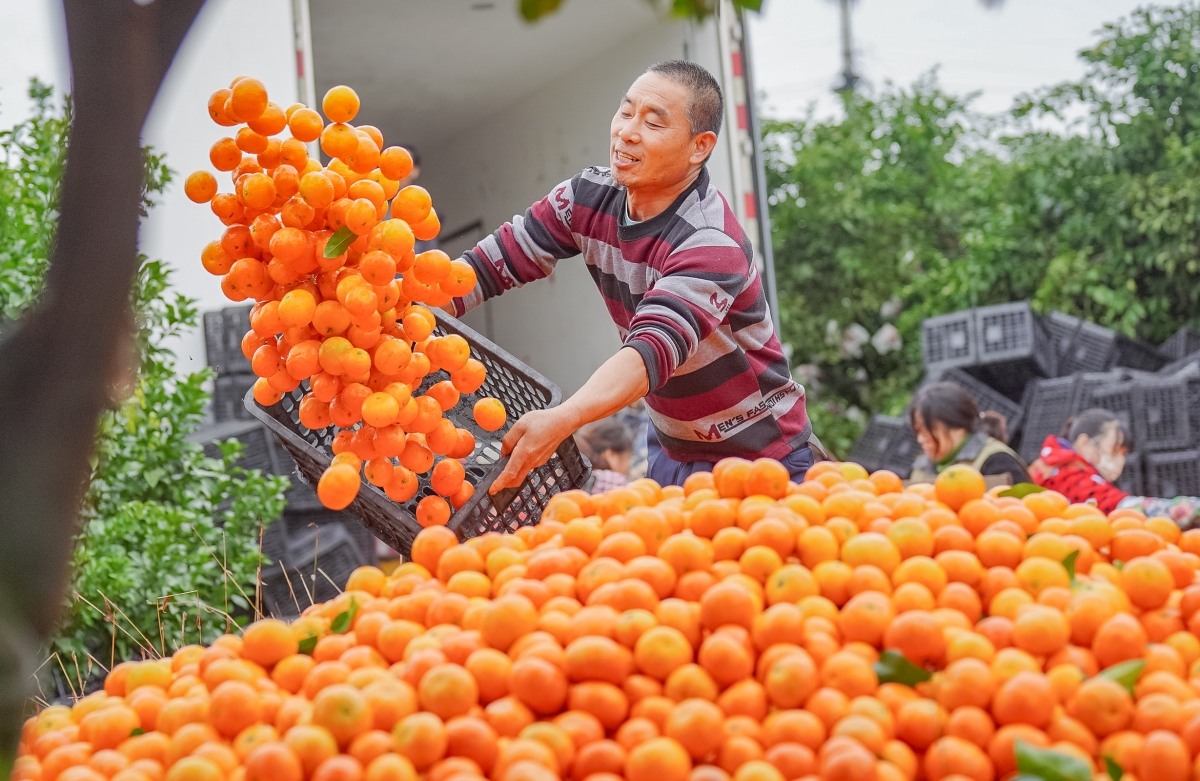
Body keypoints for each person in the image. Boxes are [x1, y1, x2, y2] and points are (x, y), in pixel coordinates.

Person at [449, 60, 812, 491]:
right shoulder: (586, 198)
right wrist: (401, 307)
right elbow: (489, 266)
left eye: (653, 123)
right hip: (672, 449)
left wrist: (564, 418)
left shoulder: (711, 243)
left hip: (762, 457)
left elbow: (649, 353)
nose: (627, 132)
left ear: (700, 147)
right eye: (625, 112)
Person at [1029, 409, 1200, 525]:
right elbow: (1118, 506)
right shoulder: (1068, 474)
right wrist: (1189, 508)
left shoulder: (1049, 464)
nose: (1120, 459)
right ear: (1084, 444)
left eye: (1124, 453)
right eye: (1115, 448)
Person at [908, 382, 1030, 485]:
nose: (920, 439)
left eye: (927, 430)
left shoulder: (997, 461)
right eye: (918, 431)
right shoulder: (921, 468)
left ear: (955, 425)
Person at [575, 417, 634, 494]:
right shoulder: (615, 481)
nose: (628, 467)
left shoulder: (576, 476)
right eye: (628, 459)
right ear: (611, 454)